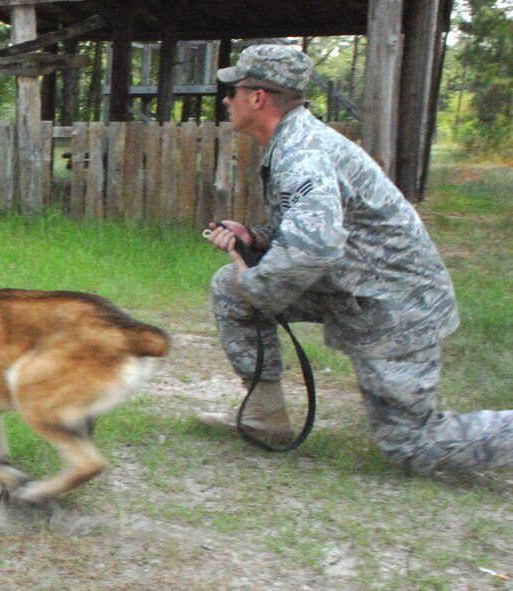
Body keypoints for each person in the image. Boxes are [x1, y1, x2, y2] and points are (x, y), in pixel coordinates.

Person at [200, 44, 513, 474]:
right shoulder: (294, 141)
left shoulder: (302, 154)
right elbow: (315, 229)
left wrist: (258, 284)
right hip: (356, 288)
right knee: (229, 287)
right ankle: (265, 418)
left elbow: (315, 247)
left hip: (396, 307)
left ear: (258, 98)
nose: (226, 98)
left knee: (413, 446)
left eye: (233, 89)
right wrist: (255, 237)